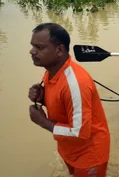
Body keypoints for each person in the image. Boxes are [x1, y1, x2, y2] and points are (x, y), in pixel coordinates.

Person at [28, 23, 110, 177]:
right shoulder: (51, 73)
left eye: (39, 48)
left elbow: (80, 133)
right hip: (69, 150)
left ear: (59, 50)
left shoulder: (75, 84)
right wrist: (43, 98)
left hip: (89, 155)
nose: (32, 51)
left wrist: (43, 122)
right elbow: (64, 104)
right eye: (33, 46)